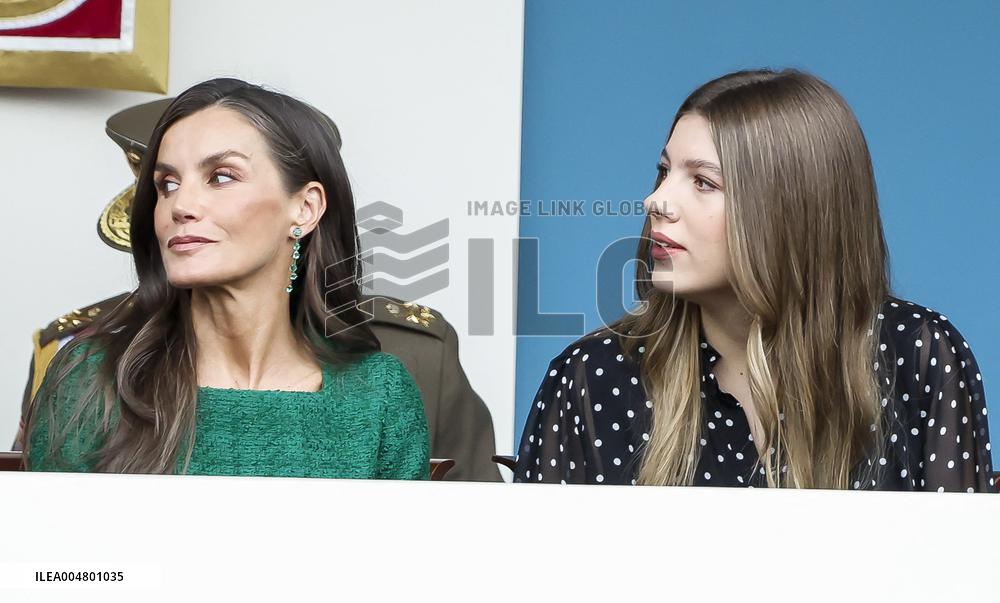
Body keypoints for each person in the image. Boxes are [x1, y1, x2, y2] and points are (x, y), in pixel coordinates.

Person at [514, 68, 995, 492]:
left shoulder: (920, 357)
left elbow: (962, 573)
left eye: (703, 182)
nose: (656, 200)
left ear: (790, 210)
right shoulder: (592, 379)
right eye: (663, 172)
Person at [24, 78, 430, 479]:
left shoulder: (380, 396)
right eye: (167, 184)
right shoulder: (91, 378)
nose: (181, 205)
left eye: (221, 176)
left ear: (305, 208)